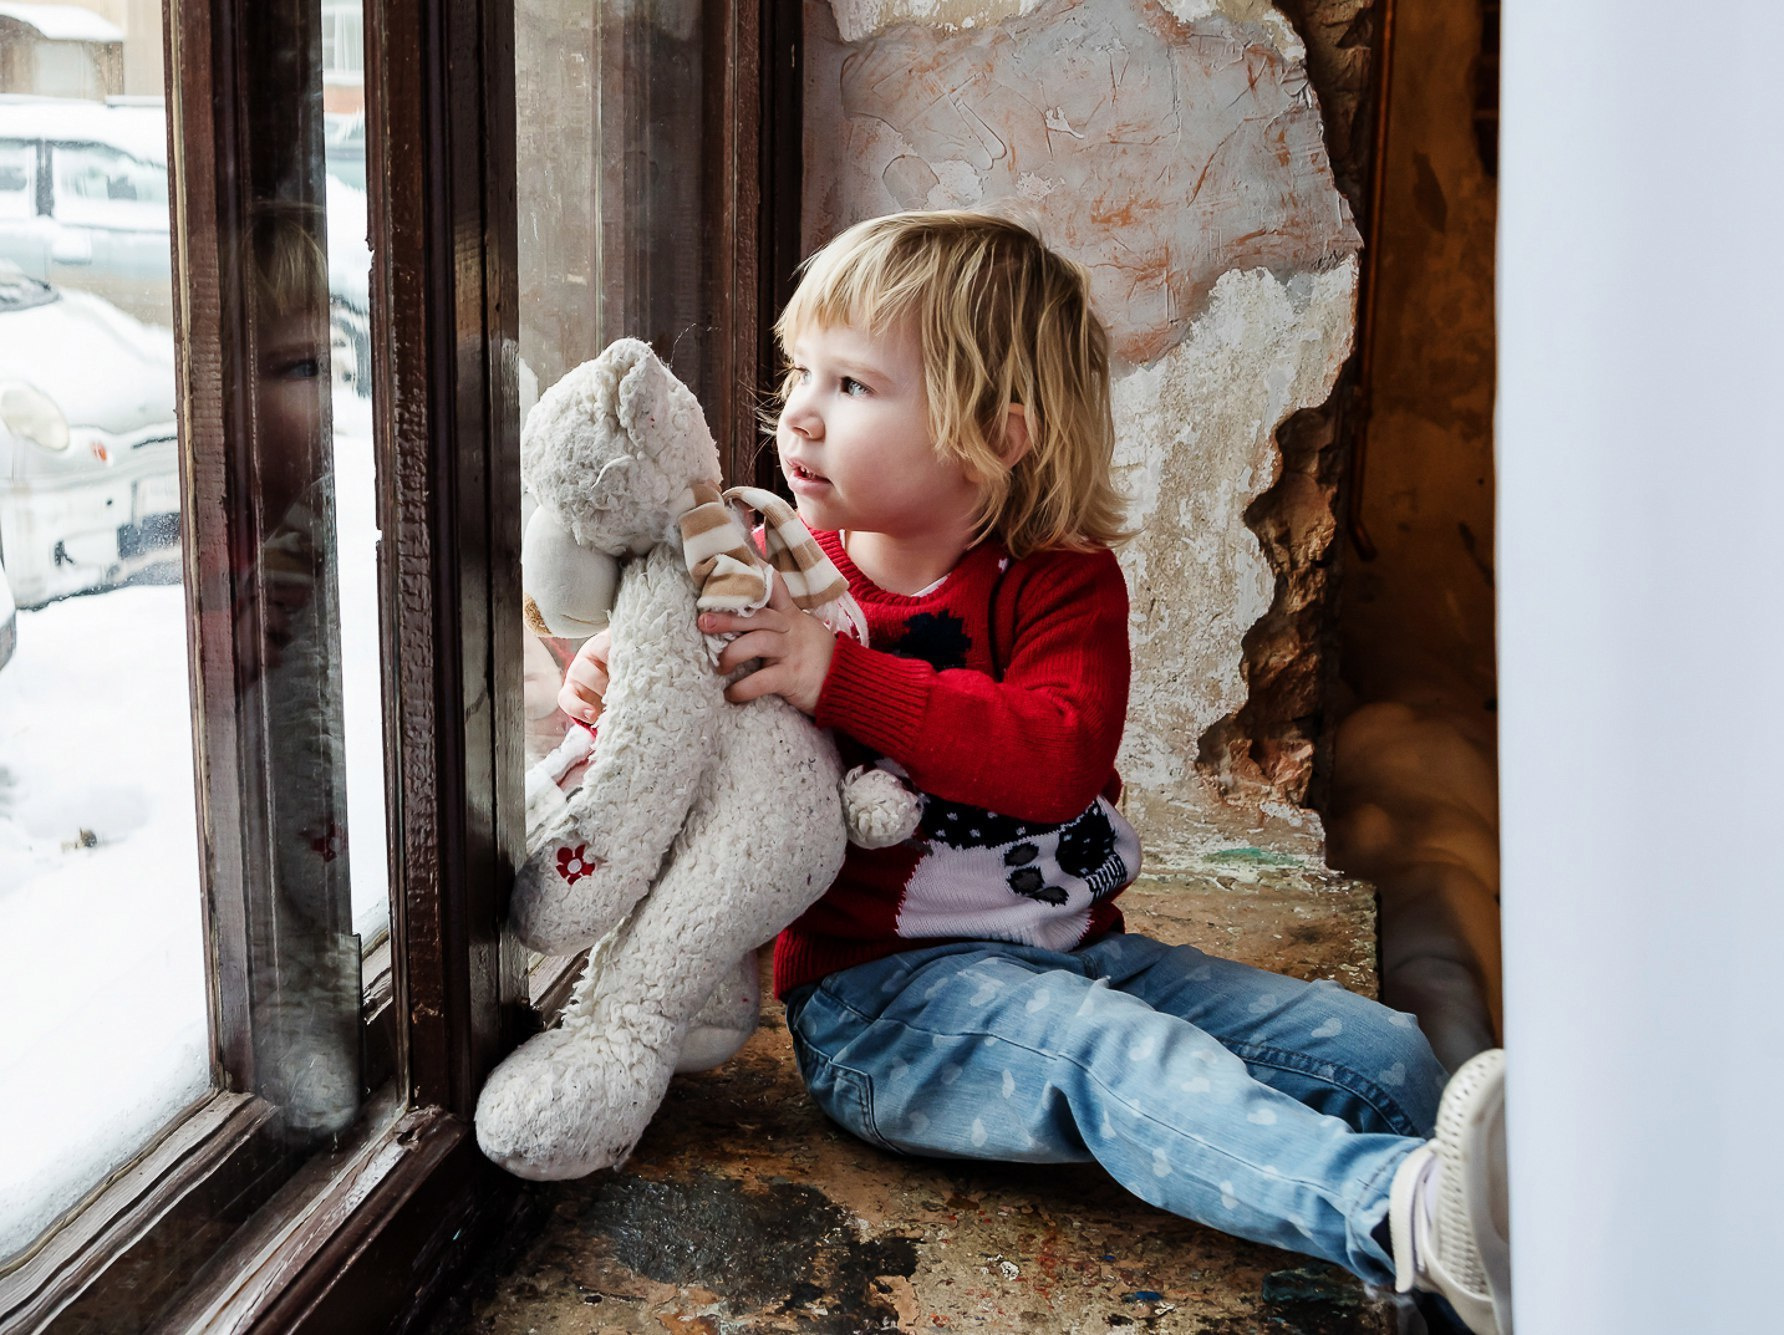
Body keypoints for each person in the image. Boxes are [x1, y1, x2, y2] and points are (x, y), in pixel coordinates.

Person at [557, 210, 1511, 1334]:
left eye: (854, 385)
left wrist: (838, 676)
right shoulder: (773, 578)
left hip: (1082, 958)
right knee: (1120, 1057)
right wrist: (617, 673)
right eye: (798, 371)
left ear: (995, 435)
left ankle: (1475, 1264)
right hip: (887, 1010)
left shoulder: (1060, 582)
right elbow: (681, 704)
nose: (799, 413)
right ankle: (1392, 1215)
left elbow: (1055, 756)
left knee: (1383, 1056)